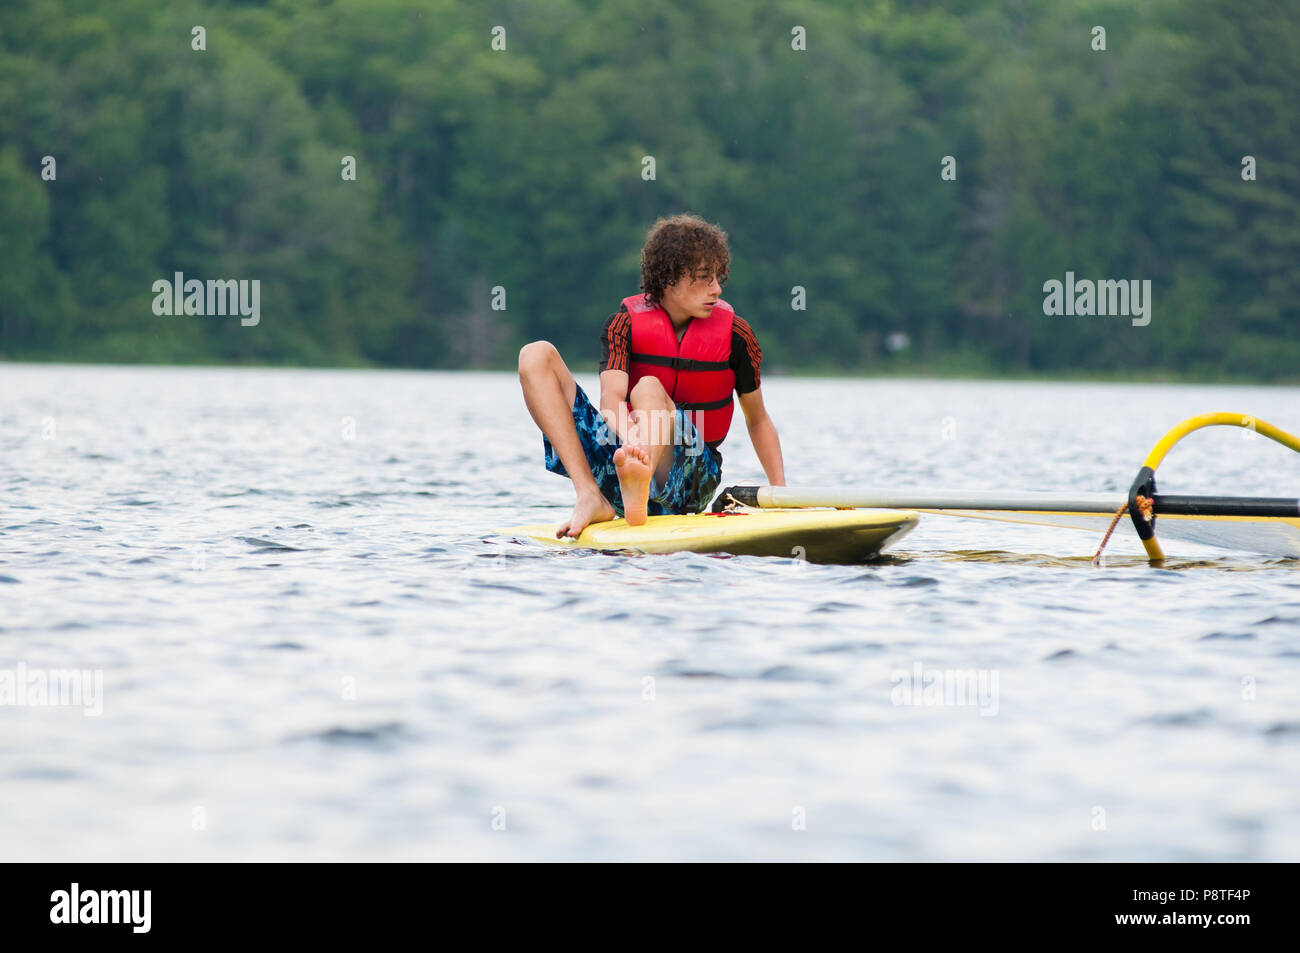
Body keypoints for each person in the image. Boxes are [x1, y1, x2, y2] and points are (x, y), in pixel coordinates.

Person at [518, 213, 785, 538]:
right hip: (621, 462)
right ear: (669, 279)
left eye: (718, 277)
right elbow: (611, 400)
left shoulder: (736, 335)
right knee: (535, 354)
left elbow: (757, 419)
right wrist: (634, 446)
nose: (716, 288)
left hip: (689, 479)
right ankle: (590, 495)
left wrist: (781, 493)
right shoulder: (624, 324)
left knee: (648, 388)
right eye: (704, 277)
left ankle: (639, 483)